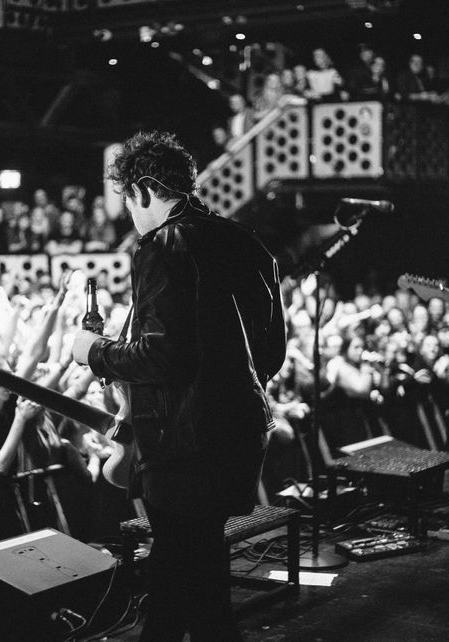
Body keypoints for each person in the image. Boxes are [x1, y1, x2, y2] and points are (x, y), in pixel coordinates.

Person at [72, 131, 286, 641]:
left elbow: (163, 355)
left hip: (184, 452)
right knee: (183, 578)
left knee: (197, 591)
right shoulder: (246, 241)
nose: (131, 214)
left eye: (129, 201)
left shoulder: (165, 245)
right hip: (239, 433)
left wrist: (94, 352)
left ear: (145, 189)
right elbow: (271, 352)